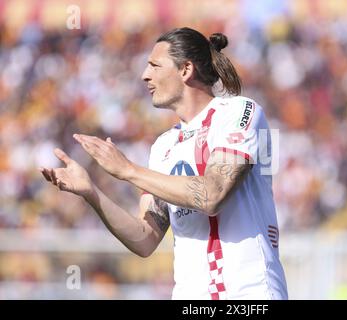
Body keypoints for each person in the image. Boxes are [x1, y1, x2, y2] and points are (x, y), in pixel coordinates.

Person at [39, 27, 288, 300]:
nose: (145, 75)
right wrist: (91, 193)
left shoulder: (240, 111)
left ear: (185, 70)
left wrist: (128, 171)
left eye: (155, 66)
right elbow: (144, 238)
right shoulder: (163, 147)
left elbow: (212, 194)